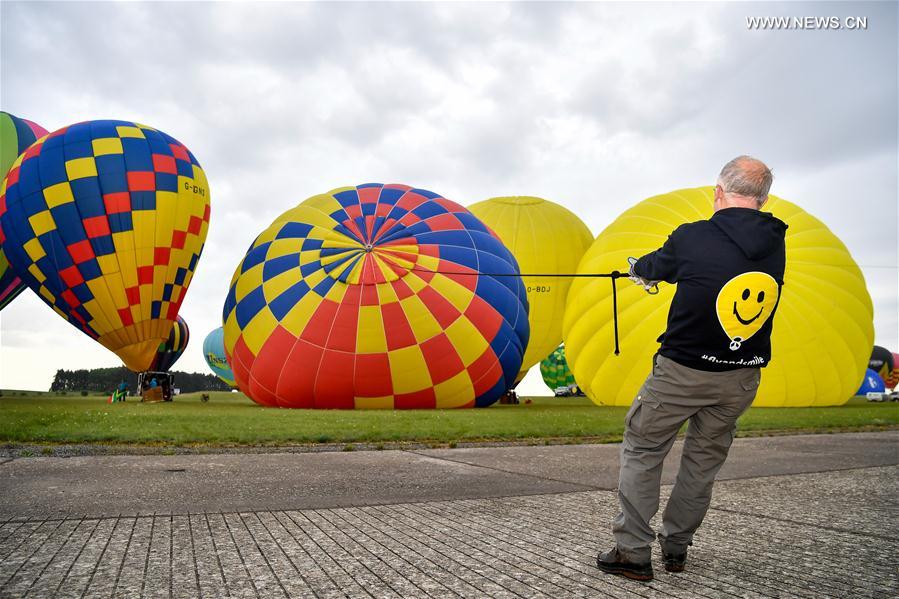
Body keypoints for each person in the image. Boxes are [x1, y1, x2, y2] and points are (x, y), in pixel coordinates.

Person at [596, 156, 787, 581]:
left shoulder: (692, 236)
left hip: (682, 371)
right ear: (764, 199)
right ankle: (677, 548)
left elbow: (656, 266)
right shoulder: (776, 240)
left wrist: (636, 270)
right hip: (740, 376)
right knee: (702, 463)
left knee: (643, 450)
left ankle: (632, 553)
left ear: (718, 193)